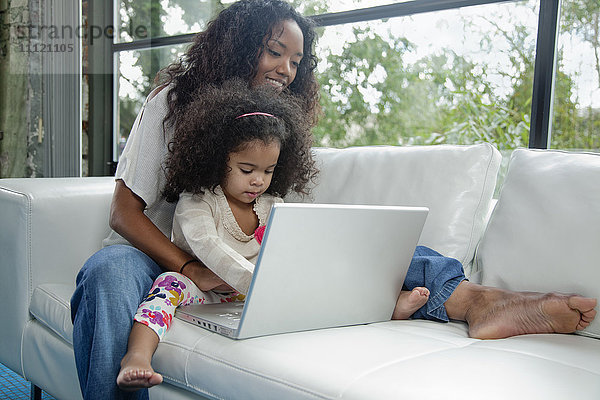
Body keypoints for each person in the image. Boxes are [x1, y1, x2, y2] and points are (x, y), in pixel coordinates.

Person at [71, 0, 596, 399]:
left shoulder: (275, 127)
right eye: (274, 51)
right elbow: (124, 212)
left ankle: (479, 301)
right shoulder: (173, 101)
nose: (285, 68)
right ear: (236, 46)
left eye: (296, 60)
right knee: (108, 272)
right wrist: (192, 265)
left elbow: (271, 219)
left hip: (239, 253)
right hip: (159, 254)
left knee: (370, 247)